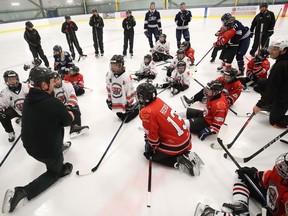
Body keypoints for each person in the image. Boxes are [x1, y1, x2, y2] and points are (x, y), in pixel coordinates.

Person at [1, 67, 73, 213]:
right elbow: (67, 121)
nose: (54, 84)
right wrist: (70, 113)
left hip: (29, 146)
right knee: (55, 173)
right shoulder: (53, 103)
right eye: (52, 82)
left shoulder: (28, 98)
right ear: (44, 85)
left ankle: (59, 150)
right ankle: (22, 192)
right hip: (47, 151)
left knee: (50, 124)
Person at [136, 82, 204, 176]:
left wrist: (151, 146)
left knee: (150, 155)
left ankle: (179, 161)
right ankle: (182, 153)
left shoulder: (147, 112)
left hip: (177, 144)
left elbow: (152, 135)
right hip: (186, 138)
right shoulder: (158, 100)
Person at [194, 152, 288, 216]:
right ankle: (241, 205)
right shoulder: (279, 171)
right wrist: (254, 174)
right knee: (243, 176)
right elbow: (267, 178)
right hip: (269, 199)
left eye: (286, 165)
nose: (282, 164)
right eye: (284, 162)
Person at [253, 39, 288, 128]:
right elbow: (272, 84)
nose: (271, 51)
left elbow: (272, 87)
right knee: (261, 82)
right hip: (283, 88)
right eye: (271, 48)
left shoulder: (280, 65)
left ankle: (272, 105)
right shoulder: (282, 61)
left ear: (283, 50)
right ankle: (270, 104)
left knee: (275, 121)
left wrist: (259, 105)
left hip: (285, 95)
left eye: (275, 49)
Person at [54, 72, 89, 138]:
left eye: (58, 79)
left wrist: (69, 106)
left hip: (69, 106)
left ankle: (75, 126)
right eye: (54, 81)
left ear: (60, 78)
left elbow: (73, 95)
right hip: (59, 109)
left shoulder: (67, 84)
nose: (57, 82)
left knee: (75, 109)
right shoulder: (51, 89)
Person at [105, 55, 139, 123]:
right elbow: (108, 87)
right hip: (116, 99)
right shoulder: (109, 74)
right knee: (119, 114)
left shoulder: (126, 76)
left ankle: (137, 108)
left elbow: (129, 90)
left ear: (121, 65)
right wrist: (109, 100)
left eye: (116, 65)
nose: (113, 67)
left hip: (124, 100)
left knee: (125, 119)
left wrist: (129, 104)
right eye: (112, 65)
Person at [0, 71, 30, 142]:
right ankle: (10, 131)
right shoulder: (4, 93)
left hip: (30, 110)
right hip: (16, 110)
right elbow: (1, 104)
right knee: (2, 115)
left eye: (14, 78)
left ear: (17, 78)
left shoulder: (26, 86)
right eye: (9, 79)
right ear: (6, 81)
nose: (12, 81)